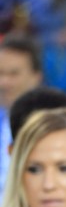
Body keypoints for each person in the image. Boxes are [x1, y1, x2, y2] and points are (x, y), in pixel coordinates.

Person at [0, 34, 43, 197]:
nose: (4, 82)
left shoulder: (54, 127)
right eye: (0, 73)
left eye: (13, 74)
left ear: (36, 77)